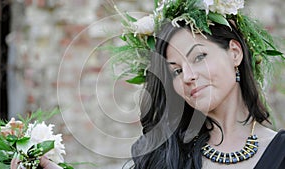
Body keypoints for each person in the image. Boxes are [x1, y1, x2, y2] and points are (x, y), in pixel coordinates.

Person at [111, 0, 285, 169]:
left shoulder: (280, 151)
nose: (188, 76)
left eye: (199, 57)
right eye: (176, 71)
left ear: (235, 53)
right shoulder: (164, 156)